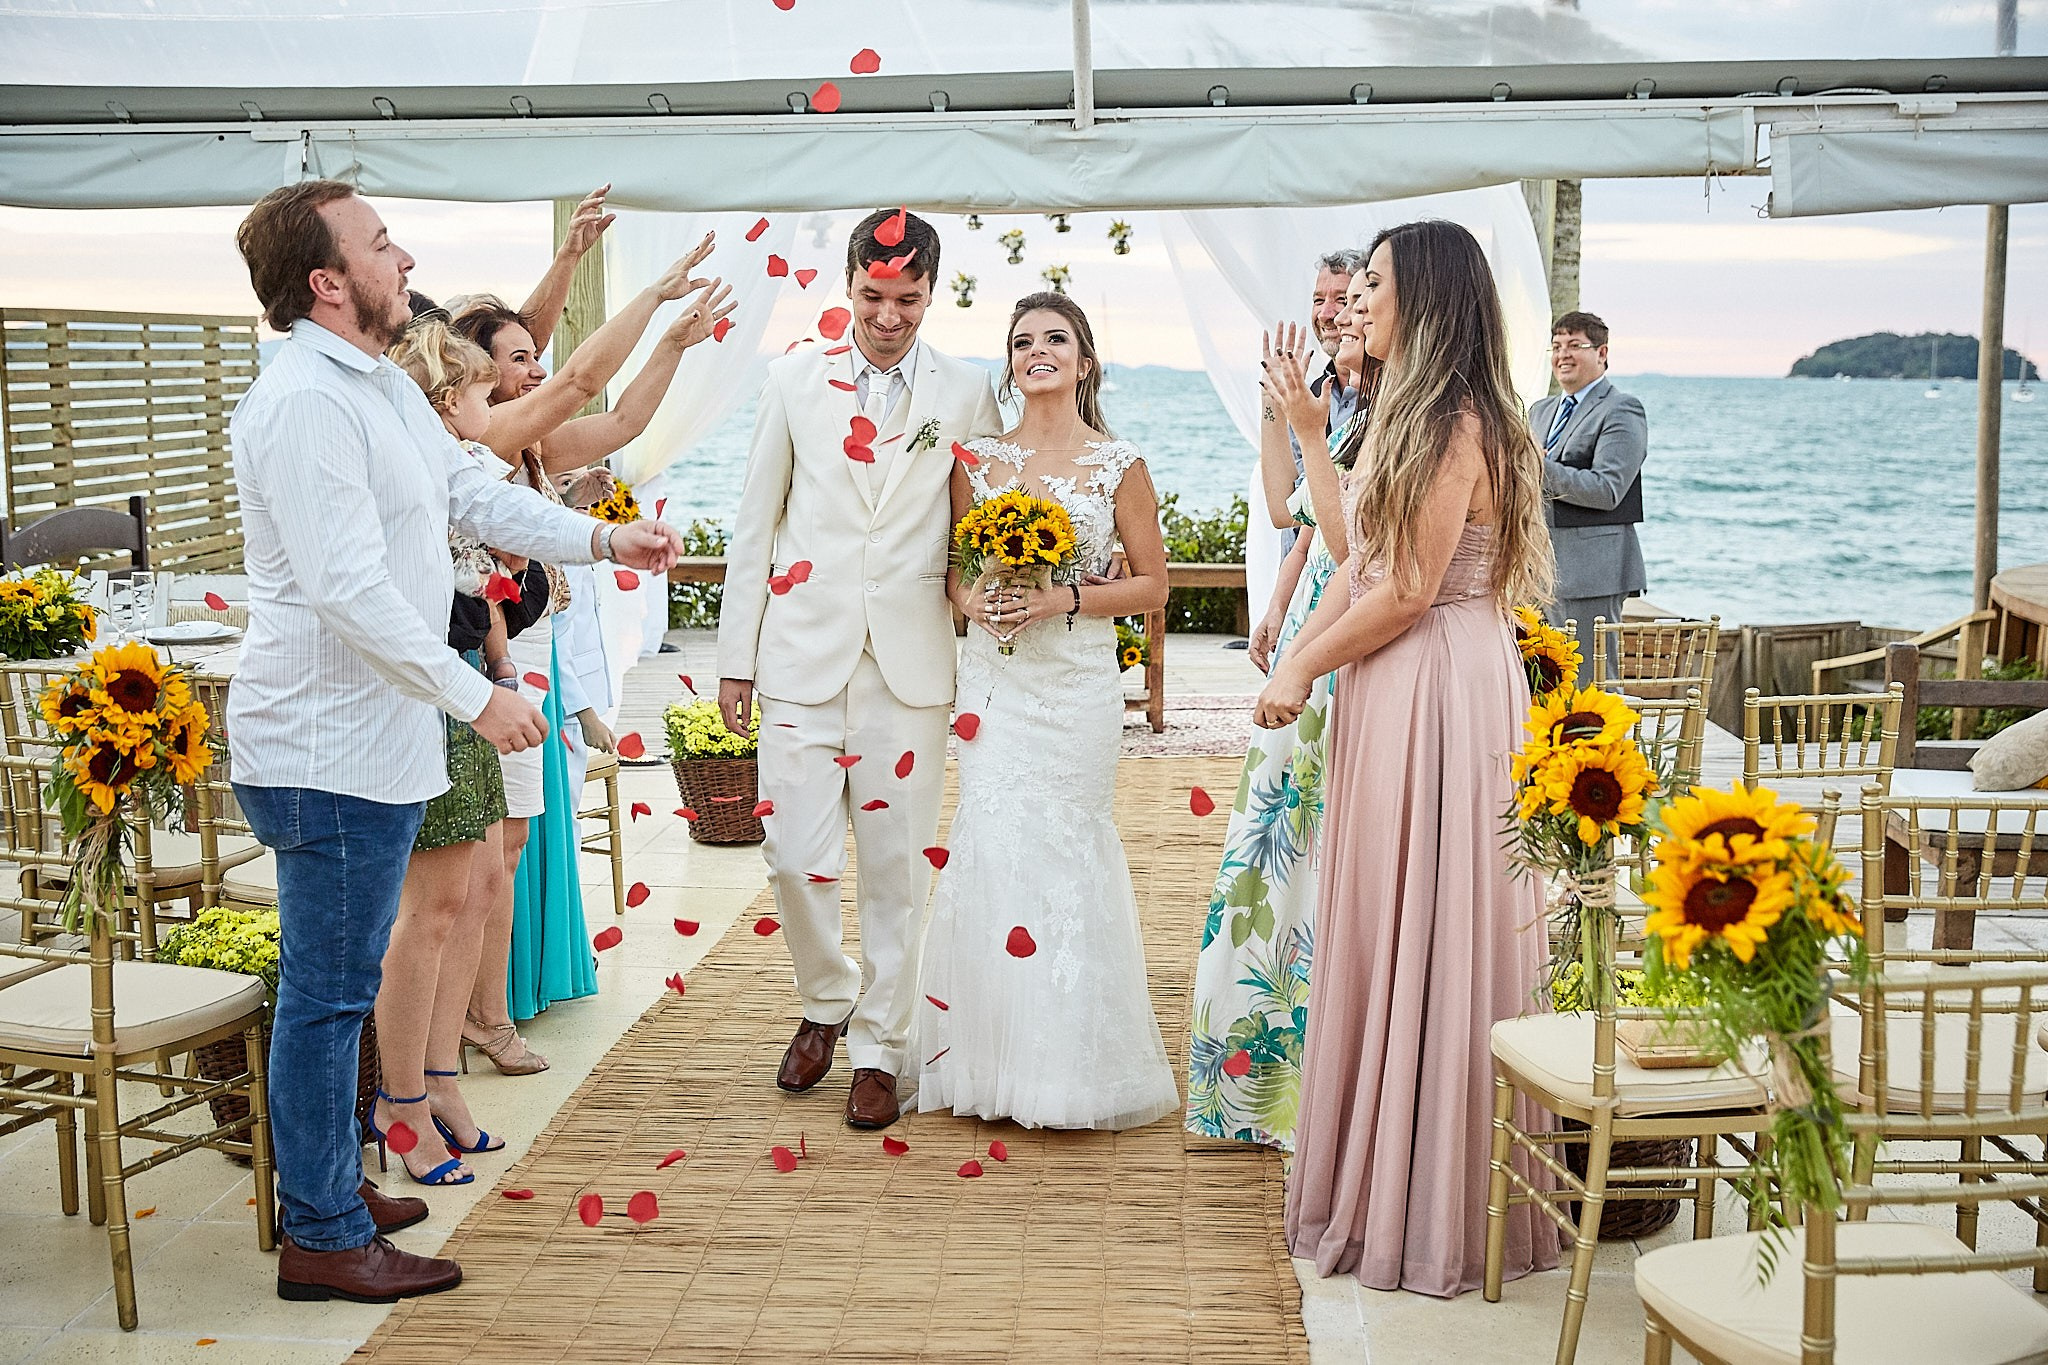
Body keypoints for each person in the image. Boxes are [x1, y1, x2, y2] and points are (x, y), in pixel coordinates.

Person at [228, 179, 683, 1302]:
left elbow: (479, 501)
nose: (405, 257)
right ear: (327, 282)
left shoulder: (378, 387)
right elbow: (345, 588)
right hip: (322, 745)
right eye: (381, 245)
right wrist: (475, 696)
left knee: (334, 986)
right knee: (330, 994)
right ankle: (324, 1231)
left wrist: (603, 537)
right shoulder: (301, 403)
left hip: (370, 741)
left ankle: (329, 1187)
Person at [1253, 219, 1557, 1298]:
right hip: (1393, 675)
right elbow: (1355, 564)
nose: (1352, 302)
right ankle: (1378, 1178)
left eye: (1371, 284)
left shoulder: (1449, 422)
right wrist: (1302, 657)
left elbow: (1410, 589)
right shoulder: (1397, 413)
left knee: (1430, 923)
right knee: (1386, 921)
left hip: (1436, 681)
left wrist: (1300, 674)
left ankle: (1425, 1210)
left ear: (1421, 300)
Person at [717, 208, 1003, 1131]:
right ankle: (827, 996)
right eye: (874, 296)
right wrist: (735, 659)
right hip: (801, 656)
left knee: (895, 868)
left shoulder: (965, 391)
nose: (889, 315)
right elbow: (755, 525)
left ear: (930, 293)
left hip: (911, 666)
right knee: (793, 859)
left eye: (907, 299)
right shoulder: (792, 380)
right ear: (846, 287)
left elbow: (985, 524)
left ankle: (882, 1043)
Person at [450, 258, 734, 1072]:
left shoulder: (531, 444)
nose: (535, 368)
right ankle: (485, 1016)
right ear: (473, 373)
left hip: (533, 661)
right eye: (517, 359)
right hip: (499, 664)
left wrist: (675, 343)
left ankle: (492, 1006)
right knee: (493, 851)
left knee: (507, 850)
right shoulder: (484, 446)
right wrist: (654, 295)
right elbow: (581, 379)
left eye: (533, 359)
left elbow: (622, 423)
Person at [909, 292, 1180, 1131]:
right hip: (995, 684)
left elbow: (1153, 583)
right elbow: (953, 572)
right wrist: (977, 595)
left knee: (1066, 849)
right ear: (1011, 361)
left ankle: (1068, 1070)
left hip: (1074, 686)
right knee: (993, 840)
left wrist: (1062, 597)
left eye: (1056, 339)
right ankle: (986, 1061)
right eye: (1023, 340)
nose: (1038, 350)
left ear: (1085, 361)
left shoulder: (1117, 464)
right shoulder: (976, 461)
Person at [1184, 269, 1371, 1150]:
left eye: (1354, 299)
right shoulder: (1334, 397)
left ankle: (1308, 1058)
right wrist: (1281, 412)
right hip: (1313, 611)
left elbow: (1353, 546)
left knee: (1318, 831)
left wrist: (1309, 425)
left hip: (1350, 623)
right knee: (1282, 829)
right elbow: (1288, 514)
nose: (1336, 314)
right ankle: (1264, 1060)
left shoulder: (1394, 406)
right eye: (1330, 301)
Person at [369, 320, 520, 1187]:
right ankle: (402, 1106)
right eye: (479, 393)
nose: (491, 404)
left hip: (466, 680)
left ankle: (441, 1080)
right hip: (428, 688)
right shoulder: (409, 474)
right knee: (425, 911)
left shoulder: (458, 472)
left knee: (470, 893)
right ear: (440, 401)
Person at [1529, 310, 1648, 678]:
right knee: (1536, 683)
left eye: (1574, 345)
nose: (1562, 354)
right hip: (1534, 568)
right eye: (1556, 346)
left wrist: (1536, 466)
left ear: (1602, 353)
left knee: (1589, 686)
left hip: (1591, 573)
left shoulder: (1621, 409)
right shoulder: (1538, 410)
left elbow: (1608, 489)